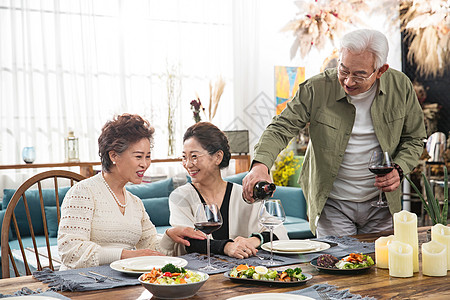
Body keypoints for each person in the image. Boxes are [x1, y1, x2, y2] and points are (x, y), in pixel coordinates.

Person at [242, 29, 426, 237]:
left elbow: (414, 138)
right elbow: (280, 128)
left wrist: (399, 168)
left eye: (359, 74)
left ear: (381, 70)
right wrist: (260, 166)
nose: (348, 82)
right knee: (337, 264)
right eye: (343, 70)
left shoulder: (400, 86)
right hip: (332, 204)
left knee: (381, 266)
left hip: (382, 204)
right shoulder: (317, 88)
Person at [57, 114, 205, 270]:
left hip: (119, 283)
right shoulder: (83, 192)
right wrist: (126, 255)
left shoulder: (135, 202)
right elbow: (70, 251)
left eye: (148, 157)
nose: (145, 164)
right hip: (82, 283)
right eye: (139, 156)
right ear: (113, 155)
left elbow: (151, 249)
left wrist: (169, 235)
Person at [169, 122, 288, 258]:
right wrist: (227, 247)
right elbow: (187, 241)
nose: (188, 164)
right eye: (184, 157)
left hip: (243, 272)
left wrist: (252, 240)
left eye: (194, 156)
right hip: (198, 275)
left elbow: (278, 231)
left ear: (218, 157)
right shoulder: (180, 196)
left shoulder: (243, 195)